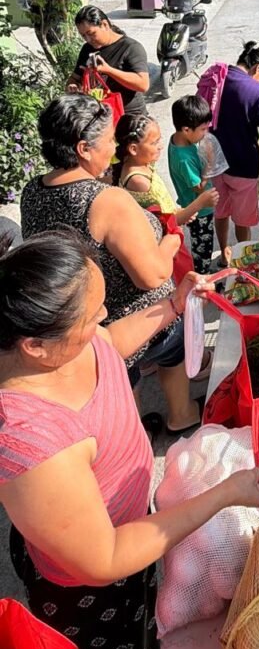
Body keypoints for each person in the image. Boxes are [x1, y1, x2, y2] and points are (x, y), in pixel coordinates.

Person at [0, 229, 259, 649]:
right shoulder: (30, 442)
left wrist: (172, 305)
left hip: (130, 527)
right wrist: (225, 494)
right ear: (36, 346)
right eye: (93, 314)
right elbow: (106, 558)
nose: (105, 316)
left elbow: (109, 344)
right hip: (93, 590)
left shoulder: (67, 344)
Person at [20, 94, 201, 434]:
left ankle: (135, 431)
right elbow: (152, 276)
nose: (116, 149)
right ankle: (182, 414)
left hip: (83, 327)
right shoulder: (106, 201)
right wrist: (172, 240)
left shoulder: (33, 191)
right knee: (170, 348)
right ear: (83, 149)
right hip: (139, 320)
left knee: (122, 390)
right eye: (109, 142)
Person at [210, 42, 259, 259]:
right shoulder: (258, 92)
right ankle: (243, 259)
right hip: (242, 165)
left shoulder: (217, 78)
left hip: (214, 160)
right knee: (242, 219)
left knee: (221, 210)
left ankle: (225, 251)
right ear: (258, 67)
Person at [167, 96, 220, 274]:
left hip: (192, 205)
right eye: (203, 129)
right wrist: (209, 163)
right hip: (200, 210)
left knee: (200, 242)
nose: (206, 133)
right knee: (203, 246)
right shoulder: (184, 159)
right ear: (186, 129)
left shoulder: (178, 140)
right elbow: (198, 187)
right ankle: (202, 276)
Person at [67, 5, 149, 115]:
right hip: (101, 118)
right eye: (83, 36)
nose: (88, 39)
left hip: (129, 118)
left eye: (91, 33)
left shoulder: (131, 47)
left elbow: (143, 84)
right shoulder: (87, 49)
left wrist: (109, 70)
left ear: (104, 25)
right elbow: (74, 78)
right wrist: (73, 86)